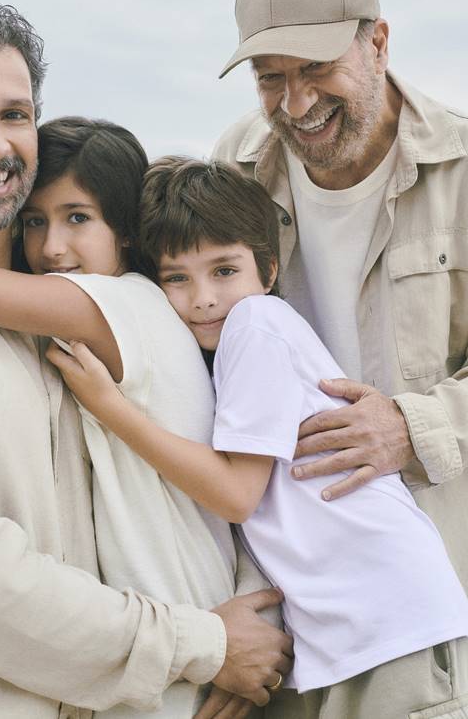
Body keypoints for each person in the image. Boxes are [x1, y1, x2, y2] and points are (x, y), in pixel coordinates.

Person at [0, 0, 291, 718]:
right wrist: (204, 644)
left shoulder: (77, 314)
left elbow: (227, 481)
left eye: (15, 113)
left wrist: (254, 621)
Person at [36, 156, 468, 719]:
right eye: (177, 278)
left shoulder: (255, 325)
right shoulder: (228, 352)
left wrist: (111, 409)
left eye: (223, 270)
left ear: (267, 271)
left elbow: (238, 495)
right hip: (343, 634)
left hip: (389, 624)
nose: (203, 298)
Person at [211, 0, 468, 710]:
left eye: (315, 68)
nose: (295, 104)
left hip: (420, 602)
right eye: (271, 77)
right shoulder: (232, 168)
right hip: (286, 607)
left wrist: (412, 425)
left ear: (378, 42)